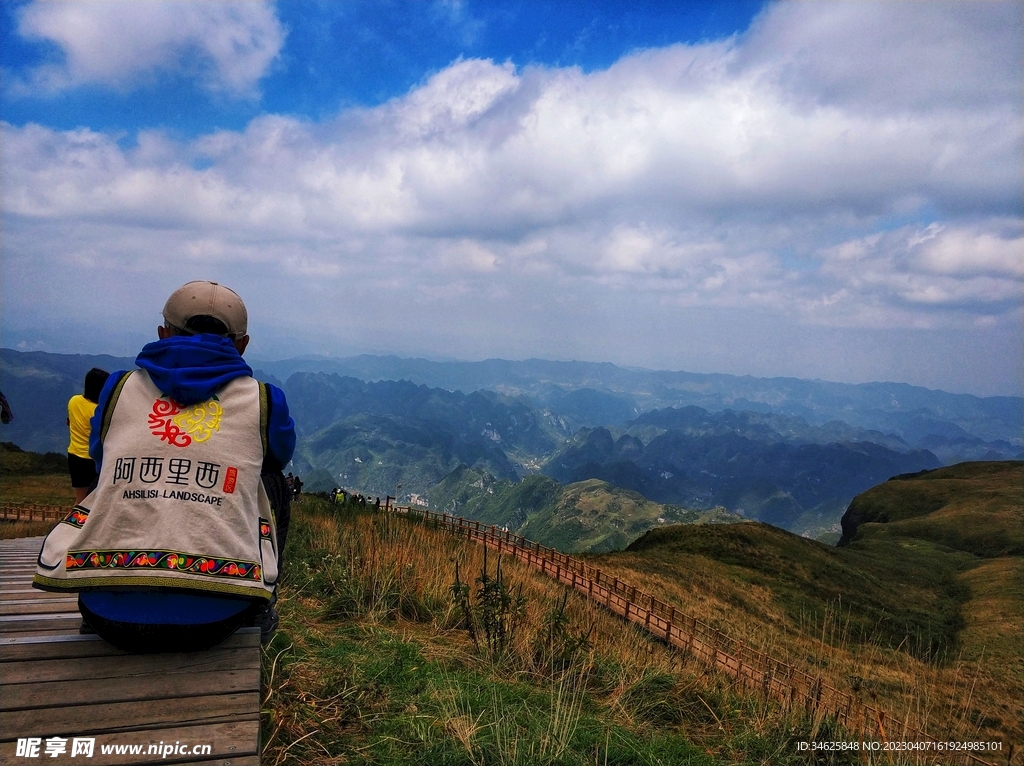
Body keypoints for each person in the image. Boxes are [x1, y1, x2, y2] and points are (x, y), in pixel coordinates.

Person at [34, 280, 295, 652]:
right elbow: (278, 458)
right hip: (217, 620)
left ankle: (109, 575)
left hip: (105, 617)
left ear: (162, 333)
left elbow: (99, 457)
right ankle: (260, 605)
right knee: (271, 478)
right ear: (242, 344)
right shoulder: (266, 401)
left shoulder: (116, 389)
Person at [67, 368, 110, 505]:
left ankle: (72, 525)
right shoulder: (100, 410)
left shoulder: (73, 401)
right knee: (95, 502)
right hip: (94, 460)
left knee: (80, 501)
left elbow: (70, 421)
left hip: (74, 457)